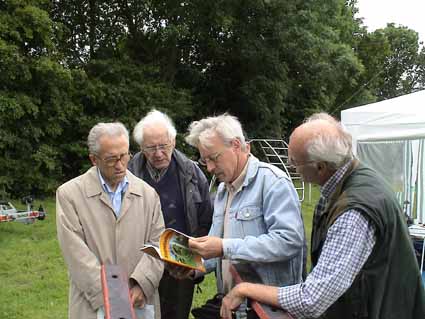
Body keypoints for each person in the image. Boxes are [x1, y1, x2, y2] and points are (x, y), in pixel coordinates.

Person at [220, 113, 425, 319]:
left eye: (294, 161)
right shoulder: (347, 182)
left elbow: (312, 299)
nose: (291, 166)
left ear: (319, 166)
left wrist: (246, 289)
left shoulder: (354, 211)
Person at [183, 113, 305, 300]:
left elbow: (289, 241)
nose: (209, 168)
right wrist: (192, 268)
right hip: (231, 304)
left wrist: (225, 247)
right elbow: (216, 249)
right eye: (204, 160)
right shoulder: (223, 189)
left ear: (236, 146)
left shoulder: (273, 182)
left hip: (266, 308)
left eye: (214, 158)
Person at [56, 122, 165, 319]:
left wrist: (142, 283)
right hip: (93, 304)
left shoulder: (148, 194)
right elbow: (75, 254)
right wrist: (111, 296)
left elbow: (158, 245)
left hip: (138, 301)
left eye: (124, 156)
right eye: (111, 159)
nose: (120, 165)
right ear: (94, 160)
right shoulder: (69, 195)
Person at [128, 110, 213, 319]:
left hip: (180, 262)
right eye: (151, 147)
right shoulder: (129, 174)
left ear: (173, 142)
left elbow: (206, 219)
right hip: (140, 262)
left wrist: (194, 259)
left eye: (163, 146)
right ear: (141, 147)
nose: (158, 153)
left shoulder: (192, 173)